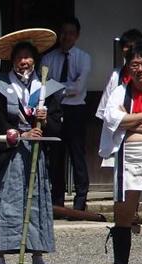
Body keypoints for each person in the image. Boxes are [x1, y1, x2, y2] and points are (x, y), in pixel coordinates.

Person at [0, 30, 64, 264]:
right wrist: (20, 134)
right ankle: (0, 260)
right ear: (12, 60)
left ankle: (37, 257)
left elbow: (59, 125)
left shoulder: (47, 87)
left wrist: (45, 120)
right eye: (19, 57)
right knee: (6, 202)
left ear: (35, 61)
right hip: (10, 153)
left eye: (28, 57)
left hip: (37, 154)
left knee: (37, 201)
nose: (24, 62)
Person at [98, 42, 142, 264]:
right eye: (134, 65)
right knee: (123, 212)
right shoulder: (120, 91)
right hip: (127, 154)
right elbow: (111, 117)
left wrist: (129, 120)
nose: (139, 69)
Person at [41, 17, 91, 210]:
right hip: (55, 110)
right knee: (56, 156)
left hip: (76, 109)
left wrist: (58, 88)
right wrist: (62, 89)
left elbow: (78, 88)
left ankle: (80, 201)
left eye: (71, 33)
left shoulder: (83, 57)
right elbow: (45, 87)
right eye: (63, 32)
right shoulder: (48, 58)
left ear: (76, 35)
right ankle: (57, 200)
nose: (66, 37)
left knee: (77, 154)